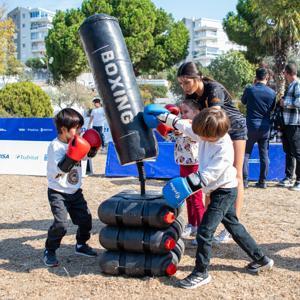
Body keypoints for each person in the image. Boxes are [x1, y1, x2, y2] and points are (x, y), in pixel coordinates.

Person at [143, 105, 274, 289]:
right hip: (218, 189)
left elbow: (211, 174)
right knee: (234, 227)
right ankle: (262, 259)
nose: (199, 138)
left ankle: (201, 272)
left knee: (205, 232)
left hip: (224, 191)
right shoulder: (206, 133)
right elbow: (185, 126)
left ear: (213, 134)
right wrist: (163, 116)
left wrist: (185, 185)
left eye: (202, 136)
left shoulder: (223, 147)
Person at [176, 62, 247, 244]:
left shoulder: (213, 89)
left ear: (198, 78)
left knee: (235, 174)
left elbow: (212, 118)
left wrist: (188, 127)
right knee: (208, 175)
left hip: (234, 128)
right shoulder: (191, 95)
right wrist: (181, 127)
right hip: (212, 131)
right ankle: (208, 226)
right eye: (181, 83)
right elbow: (195, 120)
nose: (184, 87)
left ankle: (231, 228)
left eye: (186, 82)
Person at [44, 108, 99, 267]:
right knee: (60, 224)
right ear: (64, 129)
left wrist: (93, 147)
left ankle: (81, 244)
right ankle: (50, 250)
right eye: (77, 128)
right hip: (58, 192)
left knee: (86, 220)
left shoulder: (78, 141)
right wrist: (72, 156)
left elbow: (88, 154)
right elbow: (58, 172)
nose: (80, 131)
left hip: (75, 191)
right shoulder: (55, 146)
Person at [174, 99, 205, 239]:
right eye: (182, 112)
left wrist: (181, 129)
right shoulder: (182, 126)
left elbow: (193, 137)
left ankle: (202, 231)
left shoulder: (196, 127)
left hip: (194, 164)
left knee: (196, 198)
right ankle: (193, 225)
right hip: (183, 164)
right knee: (187, 196)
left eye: (186, 112)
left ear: (196, 112)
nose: (183, 115)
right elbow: (172, 136)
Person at [241, 68, 276, 188]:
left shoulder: (250, 89)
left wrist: (252, 85)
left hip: (250, 125)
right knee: (264, 154)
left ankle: (244, 181)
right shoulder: (272, 93)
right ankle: (262, 182)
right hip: (265, 127)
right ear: (267, 77)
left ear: (256, 77)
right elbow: (272, 109)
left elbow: (243, 101)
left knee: (246, 153)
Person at [278, 63, 300, 191]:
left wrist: (284, 102)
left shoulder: (297, 84)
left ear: (287, 73)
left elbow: (298, 102)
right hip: (288, 123)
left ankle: (298, 180)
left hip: (294, 123)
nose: (284, 76)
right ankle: (288, 177)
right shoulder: (291, 85)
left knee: (297, 152)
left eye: (284, 73)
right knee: (289, 151)